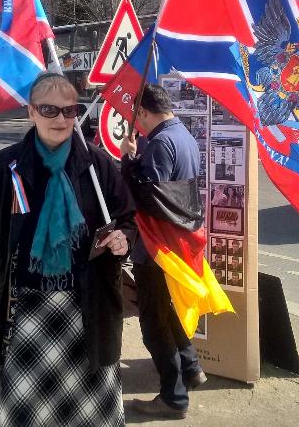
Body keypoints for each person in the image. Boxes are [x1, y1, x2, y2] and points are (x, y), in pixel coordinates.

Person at [0, 72, 136, 427]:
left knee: (93, 417)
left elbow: (126, 219)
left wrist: (124, 239)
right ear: (31, 112)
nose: (61, 119)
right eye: (49, 110)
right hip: (25, 311)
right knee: (30, 416)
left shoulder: (96, 164)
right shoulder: (5, 166)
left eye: (69, 110)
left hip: (89, 307)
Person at [120, 84, 207, 420]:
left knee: (153, 322)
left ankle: (173, 398)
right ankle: (191, 367)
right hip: (179, 243)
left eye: (136, 117)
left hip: (156, 247)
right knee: (168, 310)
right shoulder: (184, 135)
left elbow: (149, 199)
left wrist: (128, 162)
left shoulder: (158, 143)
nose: (136, 125)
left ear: (143, 111)